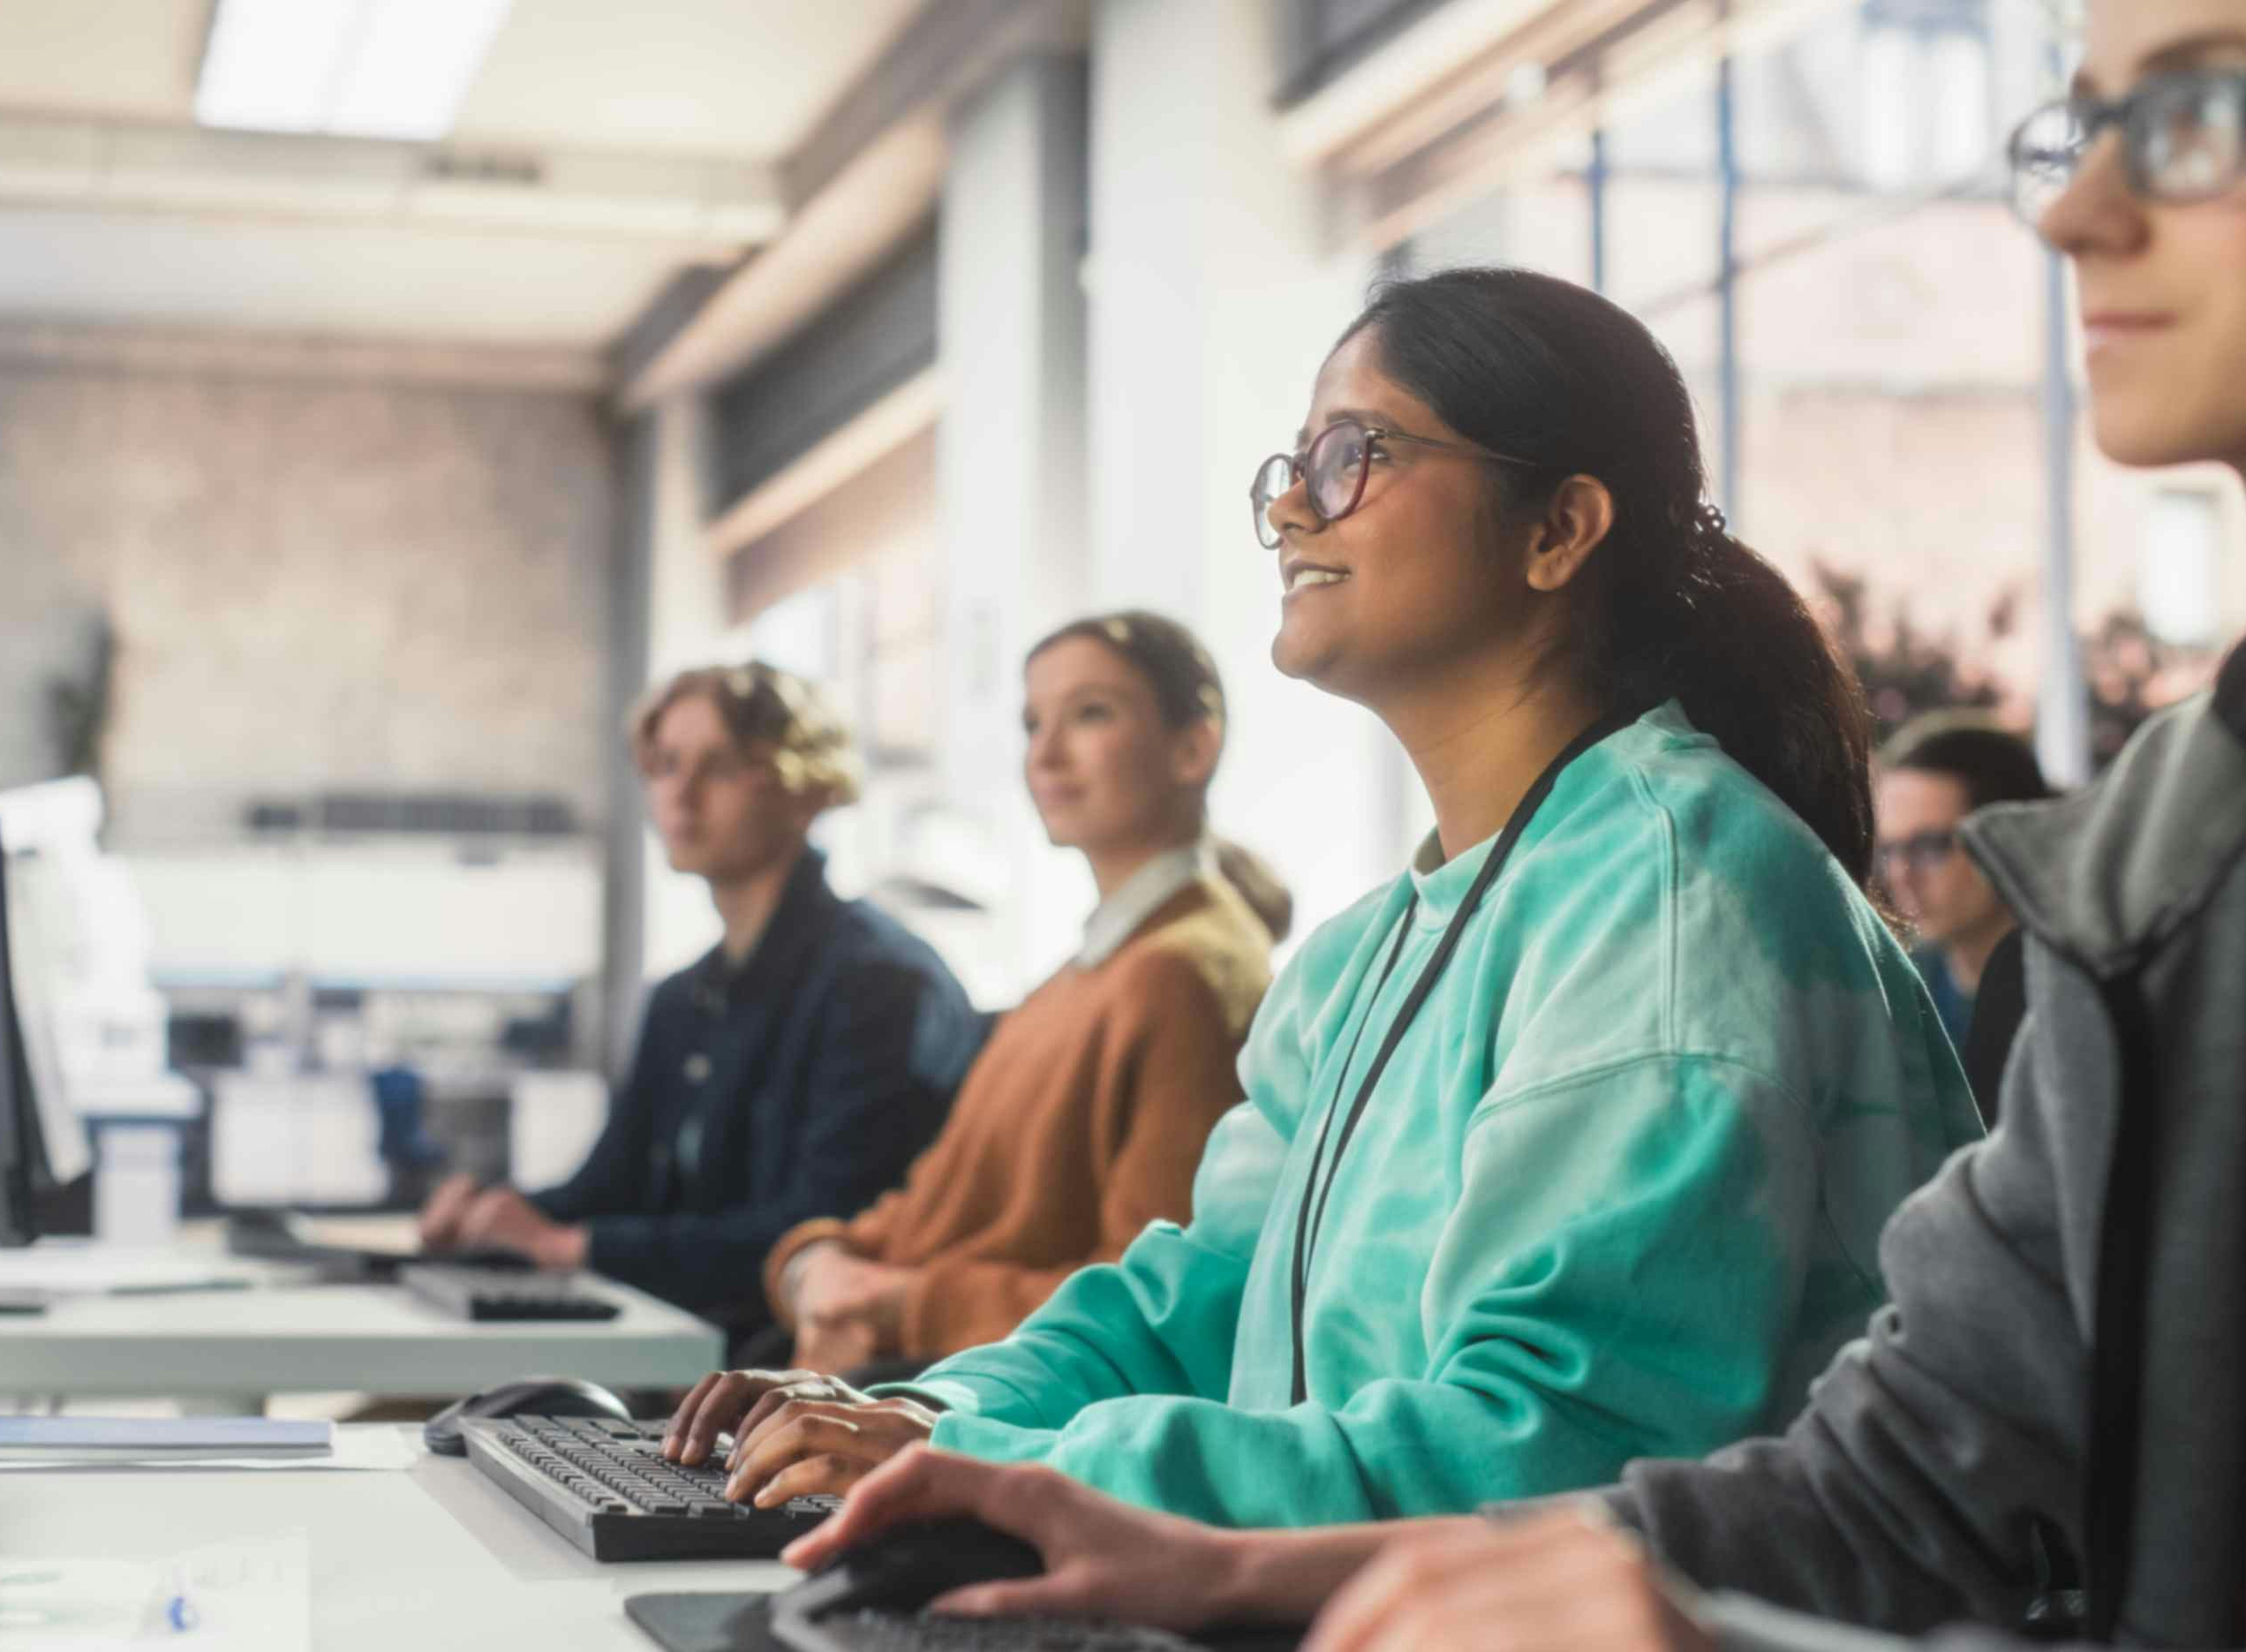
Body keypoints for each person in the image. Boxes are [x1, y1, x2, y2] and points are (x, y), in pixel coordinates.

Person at [780, 0, 2246, 1646]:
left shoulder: (1687, 895)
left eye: (2203, 111)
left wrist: (1074, 1477)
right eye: (2082, 121)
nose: (2072, 209)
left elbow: (1568, 1442)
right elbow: (1899, 1483)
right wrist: (1079, 1484)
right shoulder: (2181, 872)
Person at [662, 267, 1982, 1528]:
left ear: (1559, 529)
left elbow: (1559, 1454)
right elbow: (1195, 1303)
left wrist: (989, 1462)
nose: (1295, 507)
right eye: (1294, 466)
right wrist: (926, 1407)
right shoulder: (1373, 948)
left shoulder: (1674, 893)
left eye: (1356, 454)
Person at [765, 611, 1292, 1380]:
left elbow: (1155, 1301)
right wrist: (813, 1262)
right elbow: (927, 1206)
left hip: (981, 1405)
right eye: (1031, 721)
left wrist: (898, 1303)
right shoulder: (1079, 974)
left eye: (1090, 714)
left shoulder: (1183, 976)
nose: (1043, 754)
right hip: (912, 1365)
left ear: (1192, 746)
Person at [415, 663, 978, 1337]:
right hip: (655, 1343)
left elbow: (826, 1230)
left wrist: (573, 1247)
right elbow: (611, 1186)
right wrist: (494, 1213)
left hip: (775, 1366)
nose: (680, 793)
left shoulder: (881, 984)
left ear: (806, 789)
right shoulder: (681, 998)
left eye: (721, 765)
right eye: (665, 765)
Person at [1873, 713, 2052, 1109]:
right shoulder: (1898, 990)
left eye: (1932, 846)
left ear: (2007, 840)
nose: (1902, 875)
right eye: (1889, 850)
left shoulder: (2069, 993)